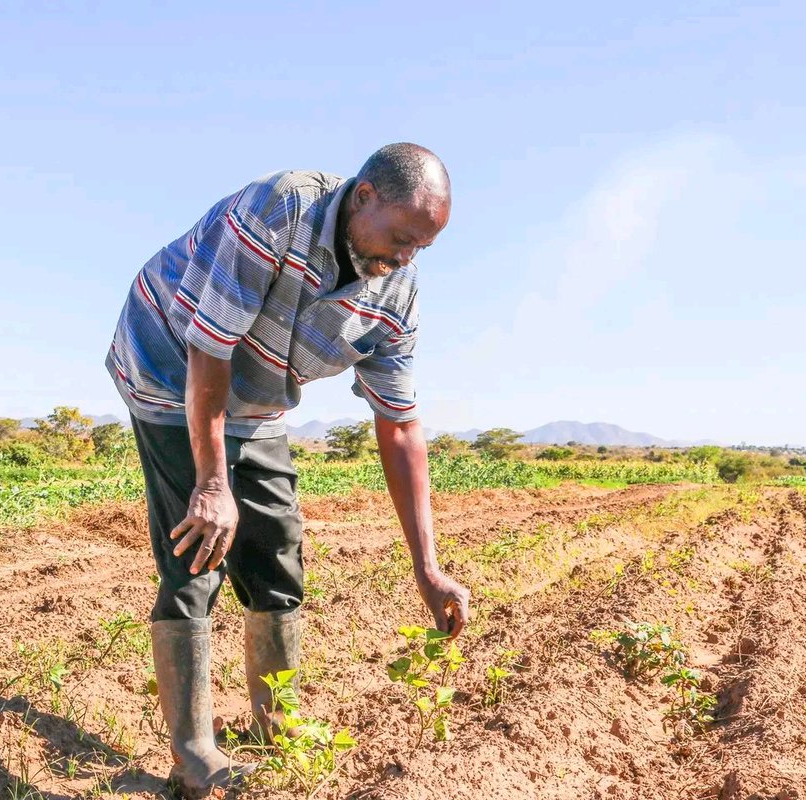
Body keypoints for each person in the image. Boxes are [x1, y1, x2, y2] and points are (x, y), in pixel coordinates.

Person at [105, 142, 471, 798]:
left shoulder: (396, 294)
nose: (406, 257)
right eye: (401, 237)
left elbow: (400, 425)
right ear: (364, 197)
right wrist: (213, 484)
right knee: (199, 549)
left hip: (257, 396)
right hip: (168, 364)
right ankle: (195, 758)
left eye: (422, 247)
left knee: (276, 551)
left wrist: (428, 565)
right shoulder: (281, 211)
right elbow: (209, 351)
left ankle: (276, 730)